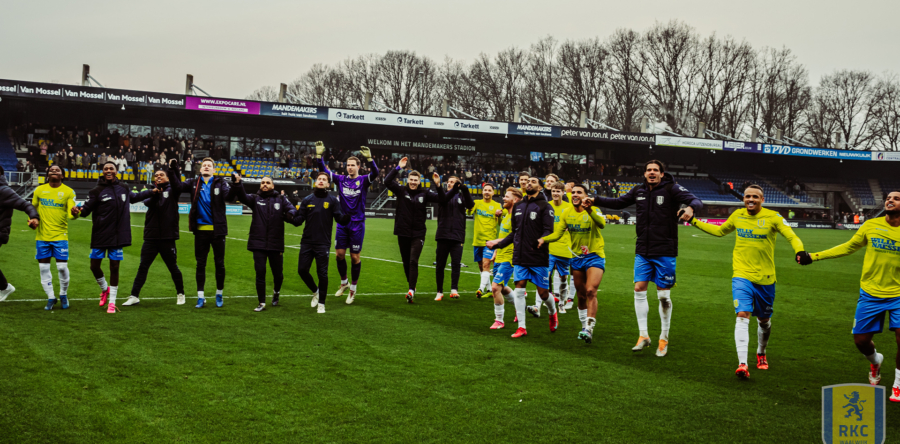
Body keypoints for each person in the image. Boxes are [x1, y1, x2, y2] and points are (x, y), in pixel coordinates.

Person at [688, 185, 806, 378]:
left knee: (764, 320)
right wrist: (693, 221)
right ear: (743, 199)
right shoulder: (738, 215)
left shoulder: (773, 217)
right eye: (747, 196)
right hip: (741, 274)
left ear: (762, 199)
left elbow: (792, 236)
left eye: (755, 197)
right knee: (742, 314)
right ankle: (742, 364)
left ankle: (761, 353)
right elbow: (719, 231)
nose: (750, 199)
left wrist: (799, 251)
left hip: (766, 278)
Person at [594, 160, 702, 356]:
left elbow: (696, 200)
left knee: (663, 296)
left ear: (662, 173)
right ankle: (643, 335)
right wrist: (595, 200)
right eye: (649, 170)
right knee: (638, 289)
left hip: (665, 250)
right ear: (644, 174)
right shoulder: (638, 191)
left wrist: (690, 208)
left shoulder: (672, 189)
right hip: (643, 249)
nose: (652, 173)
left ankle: (664, 337)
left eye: (655, 170)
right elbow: (618, 203)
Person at [802, 191, 900, 402]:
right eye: (889, 198)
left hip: (898, 294)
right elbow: (848, 247)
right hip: (871, 293)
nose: (890, 200)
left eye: (897, 198)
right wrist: (814, 256)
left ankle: (898, 385)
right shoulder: (871, 225)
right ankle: (875, 361)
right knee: (861, 341)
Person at [486, 176, 557, 338]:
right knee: (519, 289)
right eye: (528, 181)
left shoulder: (545, 206)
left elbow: (549, 230)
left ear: (540, 187)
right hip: (520, 256)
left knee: (543, 293)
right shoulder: (519, 206)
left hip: (538, 256)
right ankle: (522, 327)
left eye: (533, 182)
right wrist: (498, 245)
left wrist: (542, 239)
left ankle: (553, 313)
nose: (529, 183)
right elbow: (514, 233)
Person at [72, 162, 144, 313]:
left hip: (118, 235)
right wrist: (76, 211)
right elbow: (85, 211)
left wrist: (152, 192)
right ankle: (105, 289)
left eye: (111, 168)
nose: (109, 171)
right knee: (94, 266)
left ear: (116, 171)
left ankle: (112, 302)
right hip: (100, 234)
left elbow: (135, 198)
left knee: (115, 267)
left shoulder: (124, 187)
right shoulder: (96, 191)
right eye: (106, 169)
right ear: (103, 172)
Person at [316, 143, 379, 304]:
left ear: (358, 167)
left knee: (354, 257)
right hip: (342, 223)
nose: (350, 168)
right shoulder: (340, 180)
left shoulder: (364, 180)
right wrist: (319, 157)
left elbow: (376, 172)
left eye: (353, 165)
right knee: (339, 255)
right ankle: (344, 283)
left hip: (357, 224)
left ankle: (353, 289)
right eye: (348, 165)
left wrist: (370, 159)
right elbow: (324, 171)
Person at [542, 183, 606, 343]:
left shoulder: (594, 209)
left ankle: (589, 328)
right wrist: (543, 239)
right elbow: (557, 233)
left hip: (594, 256)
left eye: (579, 192)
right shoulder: (566, 213)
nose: (575, 194)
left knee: (591, 291)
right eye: (573, 192)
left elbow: (602, 224)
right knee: (581, 294)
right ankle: (584, 326)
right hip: (577, 258)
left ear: (585, 195)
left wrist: (589, 209)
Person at [384, 157, 451, 303]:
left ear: (419, 181)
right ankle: (411, 287)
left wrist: (438, 186)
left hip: (418, 233)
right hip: (402, 232)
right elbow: (387, 182)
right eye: (411, 179)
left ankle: (411, 290)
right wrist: (398, 168)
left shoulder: (425, 193)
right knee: (406, 262)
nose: (413, 182)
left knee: (413, 260)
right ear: (408, 180)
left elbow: (442, 200)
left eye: (416, 180)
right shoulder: (401, 191)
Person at [121, 160, 186, 307]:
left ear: (168, 178)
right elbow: (146, 202)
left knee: (173, 267)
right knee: (143, 266)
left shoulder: (173, 191)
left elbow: (177, 182)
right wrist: (154, 193)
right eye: (156, 175)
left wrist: (172, 169)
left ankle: (180, 294)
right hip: (151, 237)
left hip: (168, 237)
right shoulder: (151, 192)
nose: (158, 177)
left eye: (161, 175)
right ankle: (134, 296)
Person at [232, 174, 296, 311]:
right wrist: (238, 184)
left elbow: (292, 208)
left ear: (273, 185)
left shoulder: (280, 198)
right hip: (258, 243)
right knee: (260, 272)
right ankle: (261, 302)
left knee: (278, 274)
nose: (265, 184)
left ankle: (276, 293)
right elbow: (242, 196)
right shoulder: (255, 199)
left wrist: (291, 213)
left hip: (275, 243)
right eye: (262, 183)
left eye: (267, 182)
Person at [177, 158, 235, 308]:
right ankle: (200, 297)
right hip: (201, 232)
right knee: (200, 265)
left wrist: (236, 184)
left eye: (210, 165)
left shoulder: (221, 183)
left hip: (218, 232)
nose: (207, 167)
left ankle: (219, 294)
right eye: (204, 165)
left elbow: (229, 197)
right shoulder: (193, 183)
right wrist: (173, 170)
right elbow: (177, 186)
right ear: (200, 170)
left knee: (219, 264)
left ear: (214, 170)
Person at [292, 172, 350, 313]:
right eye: (319, 179)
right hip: (307, 241)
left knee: (322, 273)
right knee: (302, 270)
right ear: (315, 182)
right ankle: (315, 291)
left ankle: (322, 304)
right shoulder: (307, 200)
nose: (321, 181)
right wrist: (287, 216)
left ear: (328, 184)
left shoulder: (332, 201)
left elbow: (339, 218)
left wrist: (347, 217)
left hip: (322, 243)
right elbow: (299, 220)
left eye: (324, 179)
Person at [32, 165, 77, 309]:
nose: (54, 171)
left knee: (62, 267)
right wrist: (32, 220)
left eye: (58, 170)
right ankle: (51, 297)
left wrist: (75, 213)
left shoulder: (68, 192)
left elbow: (71, 215)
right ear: (47, 174)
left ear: (62, 175)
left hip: (60, 235)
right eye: (51, 170)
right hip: (42, 236)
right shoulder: (39, 190)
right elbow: (32, 209)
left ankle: (63, 294)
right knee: (44, 269)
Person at [0, 165, 40, 301]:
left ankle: (5, 287)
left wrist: (34, 216)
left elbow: (25, 204)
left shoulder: (4, 191)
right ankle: (4, 287)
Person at [487, 187, 521, 329]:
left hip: (510, 257)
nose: (504, 198)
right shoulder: (507, 215)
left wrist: (496, 242)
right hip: (500, 256)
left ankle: (499, 320)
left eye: (507, 197)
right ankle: (520, 307)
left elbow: (515, 236)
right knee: (503, 287)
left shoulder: (518, 217)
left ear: (515, 200)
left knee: (495, 287)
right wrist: (496, 251)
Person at [539, 182, 573, 315]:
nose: (556, 193)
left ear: (563, 193)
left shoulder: (569, 207)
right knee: (545, 276)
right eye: (554, 191)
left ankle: (562, 304)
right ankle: (545, 304)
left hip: (564, 248)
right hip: (549, 248)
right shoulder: (546, 207)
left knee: (564, 278)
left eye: (558, 191)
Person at [433, 175, 468, 300]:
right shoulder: (442, 195)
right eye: (448, 182)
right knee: (440, 265)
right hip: (443, 235)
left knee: (456, 264)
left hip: (457, 236)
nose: (449, 183)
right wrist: (440, 185)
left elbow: (470, 204)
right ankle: (439, 291)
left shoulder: (462, 197)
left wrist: (464, 190)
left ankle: (454, 289)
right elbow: (442, 200)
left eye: (453, 182)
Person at [470, 183, 503, 298]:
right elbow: (468, 212)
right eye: (485, 190)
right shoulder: (477, 203)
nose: (487, 192)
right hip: (477, 240)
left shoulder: (497, 205)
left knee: (486, 264)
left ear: (493, 193)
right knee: (481, 266)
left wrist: (500, 215)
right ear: (482, 191)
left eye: (490, 190)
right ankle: (489, 289)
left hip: (490, 241)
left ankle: (480, 288)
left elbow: (501, 224)